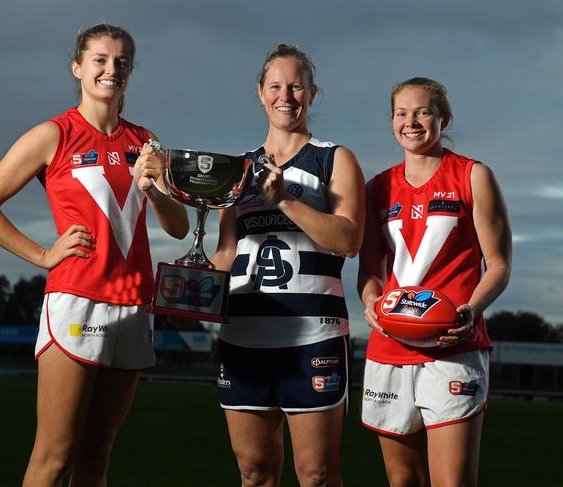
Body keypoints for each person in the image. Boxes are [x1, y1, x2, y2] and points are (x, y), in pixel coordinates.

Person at [0, 23, 188, 487]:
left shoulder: (145, 142)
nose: (111, 69)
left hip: (134, 303)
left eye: (121, 61)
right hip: (76, 301)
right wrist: (42, 254)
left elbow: (178, 226)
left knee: (98, 456)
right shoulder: (54, 134)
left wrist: (155, 186)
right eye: (100, 60)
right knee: (54, 455)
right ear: (78, 67)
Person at [212, 44, 365, 487]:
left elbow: (349, 240)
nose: (286, 96)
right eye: (276, 86)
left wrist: (285, 200)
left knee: (316, 475)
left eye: (296, 86)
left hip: (311, 337)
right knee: (254, 473)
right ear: (260, 93)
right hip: (242, 337)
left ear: (312, 93)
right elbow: (226, 253)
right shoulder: (237, 170)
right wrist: (187, 289)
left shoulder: (334, 158)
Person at [358, 77, 512, 487]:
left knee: (452, 482)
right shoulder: (377, 188)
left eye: (423, 112)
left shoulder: (473, 175)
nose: (411, 122)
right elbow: (369, 271)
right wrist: (371, 303)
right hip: (389, 347)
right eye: (401, 113)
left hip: (452, 347)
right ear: (391, 120)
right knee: (403, 479)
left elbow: (498, 264)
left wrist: (471, 311)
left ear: (444, 117)